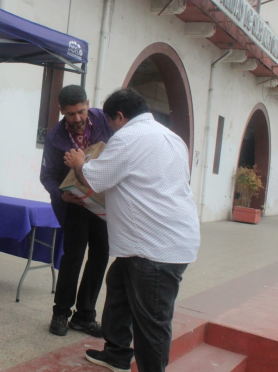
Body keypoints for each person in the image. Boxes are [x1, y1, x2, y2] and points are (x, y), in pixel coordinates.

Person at [64, 88, 200, 372]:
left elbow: (95, 179)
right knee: (118, 288)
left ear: (120, 117)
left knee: (152, 320)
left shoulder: (128, 137)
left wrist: (80, 163)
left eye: (111, 122)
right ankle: (116, 354)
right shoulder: (171, 137)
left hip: (156, 249)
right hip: (149, 242)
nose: (110, 129)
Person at [40, 85, 113, 337]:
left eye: (81, 111)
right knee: (72, 257)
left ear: (88, 104)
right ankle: (61, 311)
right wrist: (62, 195)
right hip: (75, 205)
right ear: (61, 111)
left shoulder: (105, 119)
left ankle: (85, 315)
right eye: (70, 114)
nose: (77, 119)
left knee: (101, 255)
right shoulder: (55, 137)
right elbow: (47, 176)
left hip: (104, 203)